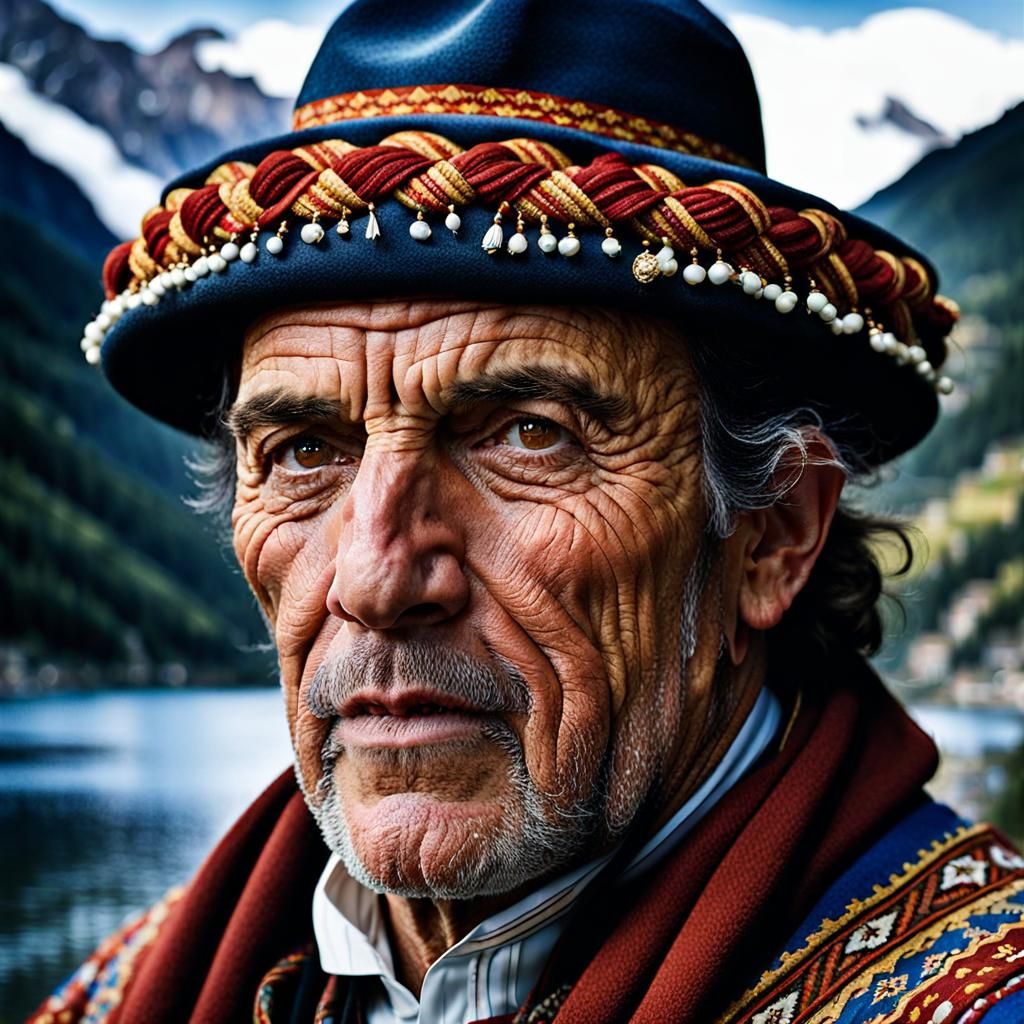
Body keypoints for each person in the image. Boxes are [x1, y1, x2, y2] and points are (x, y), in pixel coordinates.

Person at [31, 1, 1024, 1021]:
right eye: (304, 452)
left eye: (528, 434)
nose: (375, 579)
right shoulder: (128, 989)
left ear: (771, 534)